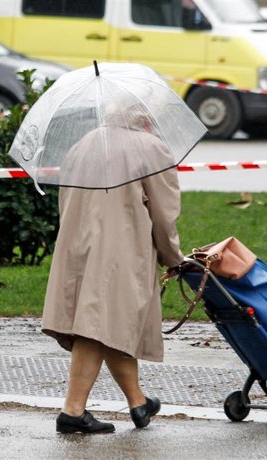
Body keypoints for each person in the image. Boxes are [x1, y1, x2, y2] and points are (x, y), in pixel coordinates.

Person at [42, 119, 185, 434]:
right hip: (121, 248)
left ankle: (138, 402)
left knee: (107, 323)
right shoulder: (151, 149)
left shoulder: (84, 144)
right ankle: (73, 411)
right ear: (145, 117)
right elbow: (164, 213)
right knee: (97, 326)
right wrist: (173, 257)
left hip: (78, 243)